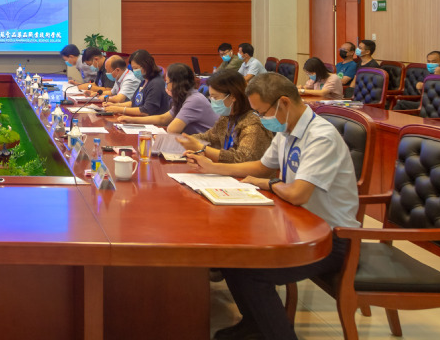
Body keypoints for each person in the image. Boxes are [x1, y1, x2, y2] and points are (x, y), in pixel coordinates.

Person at [187, 73, 360, 340]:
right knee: (231, 258)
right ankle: (254, 324)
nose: (260, 117)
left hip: (330, 238)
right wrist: (214, 168)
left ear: (283, 103)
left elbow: (297, 193)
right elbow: (262, 166)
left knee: (254, 273)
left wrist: (269, 184)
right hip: (296, 225)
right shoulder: (288, 128)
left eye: (262, 112)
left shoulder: (320, 137)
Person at [176, 69, 273, 163]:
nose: (212, 101)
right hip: (227, 172)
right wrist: (184, 140)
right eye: (211, 97)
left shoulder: (253, 124)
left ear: (233, 96)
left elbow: (242, 159)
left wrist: (201, 148)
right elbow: (209, 137)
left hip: (245, 174)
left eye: (215, 97)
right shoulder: (227, 117)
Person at [117, 63, 217, 134]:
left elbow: (172, 129)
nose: (166, 86)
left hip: (208, 148)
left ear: (176, 83)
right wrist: (132, 120)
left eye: (167, 82)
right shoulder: (185, 97)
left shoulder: (194, 100)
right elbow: (163, 119)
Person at [103, 50, 170, 116]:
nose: (134, 71)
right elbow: (133, 103)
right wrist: (115, 105)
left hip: (151, 121)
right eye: (133, 68)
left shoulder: (156, 83)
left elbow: (146, 111)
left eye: (136, 68)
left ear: (146, 66)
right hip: (141, 119)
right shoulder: (144, 81)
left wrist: (120, 110)